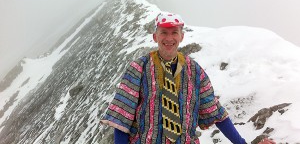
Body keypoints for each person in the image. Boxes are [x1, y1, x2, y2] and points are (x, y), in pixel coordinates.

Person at [101, 12, 276, 144]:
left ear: (182, 37)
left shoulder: (195, 71)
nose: (169, 38)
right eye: (163, 33)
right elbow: (121, 120)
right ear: (155, 36)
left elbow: (216, 113)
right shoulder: (138, 69)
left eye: (174, 33)